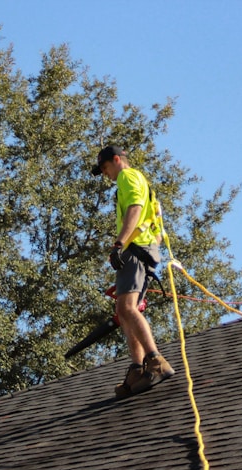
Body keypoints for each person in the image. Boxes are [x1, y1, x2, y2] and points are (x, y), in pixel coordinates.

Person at [92, 146, 175, 398]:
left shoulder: (127, 177)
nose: (106, 174)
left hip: (135, 249)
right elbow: (157, 226)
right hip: (145, 248)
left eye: (105, 168)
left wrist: (120, 244)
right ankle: (138, 369)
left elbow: (135, 209)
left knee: (126, 308)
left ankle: (155, 360)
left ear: (117, 160)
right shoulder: (142, 182)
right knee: (125, 310)